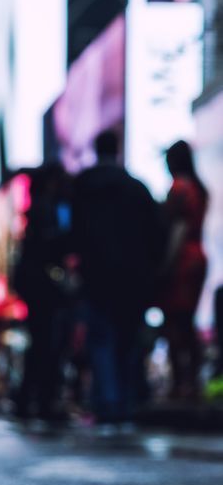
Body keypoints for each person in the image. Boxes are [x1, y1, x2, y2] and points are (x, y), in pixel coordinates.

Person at [73, 130, 164, 427]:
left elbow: (73, 232)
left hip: (97, 276)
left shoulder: (83, 186)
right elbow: (155, 235)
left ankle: (108, 404)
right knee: (126, 341)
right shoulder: (136, 188)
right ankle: (123, 405)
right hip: (132, 279)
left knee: (102, 340)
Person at [13, 164, 73, 425]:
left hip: (36, 283)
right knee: (47, 344)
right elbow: (51, 245)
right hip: (43, 284)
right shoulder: (48, 210)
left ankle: (32, 400)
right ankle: (42, 401)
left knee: (41, 344)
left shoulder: (39, 207)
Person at [159, 140, 208, 400]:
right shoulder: (198, 189)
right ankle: (193, 382)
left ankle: (181, 384)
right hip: (197, 258)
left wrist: (166, 263)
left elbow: (177, 229)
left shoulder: (180, 188)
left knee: (176, 324)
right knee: (186, 323)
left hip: (182, 262)